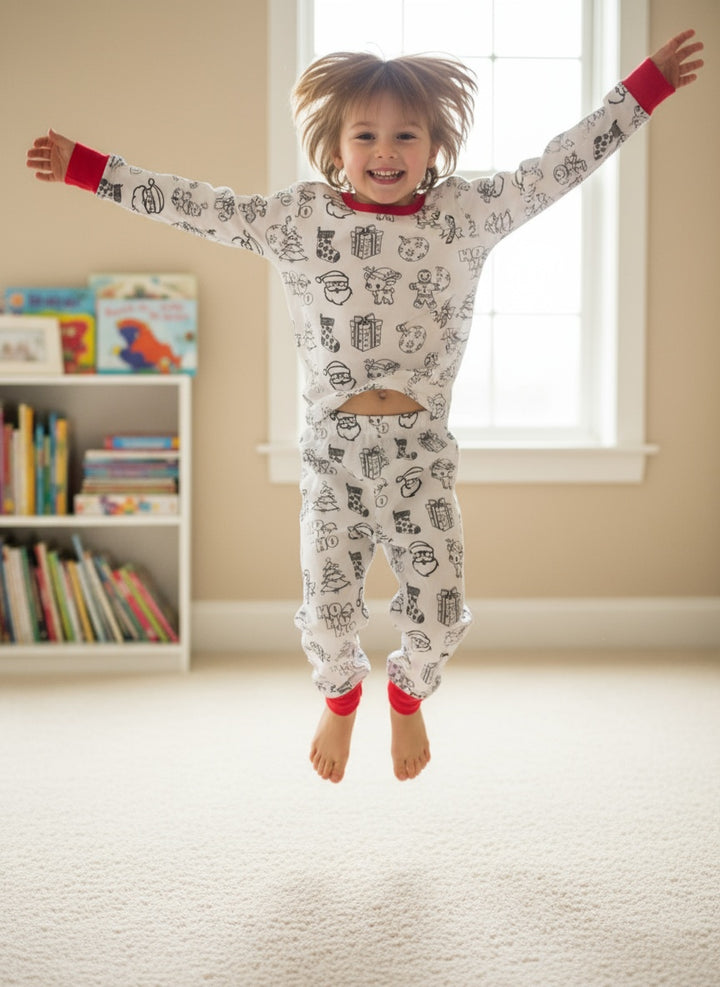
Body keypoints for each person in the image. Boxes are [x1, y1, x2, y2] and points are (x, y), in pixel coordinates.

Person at [26, 30, 704, 784]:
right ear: (335, 146)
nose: (386, 150)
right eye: (366, 135)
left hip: (420, 454)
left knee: (441, 611)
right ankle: (342, 695)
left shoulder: (464, 215)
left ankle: (408, 693)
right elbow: (197, 207)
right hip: (334, 456)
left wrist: (644, 88)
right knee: (326, 611)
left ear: (435, 144)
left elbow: (556, 168)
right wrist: (89, 169)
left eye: (406, 135)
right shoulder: (301, 221)